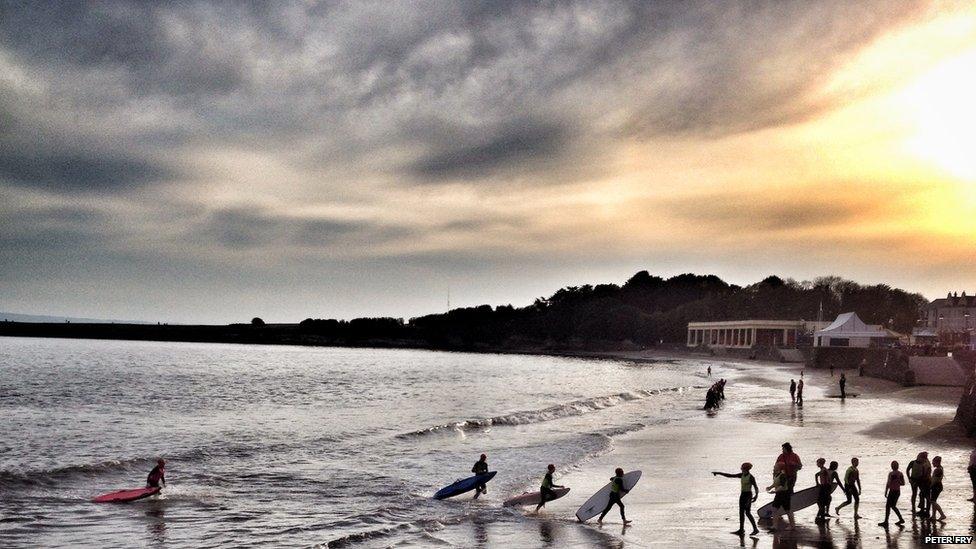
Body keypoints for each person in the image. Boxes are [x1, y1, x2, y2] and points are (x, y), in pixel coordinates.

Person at [712, 462, 759, 536]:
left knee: (747, 513)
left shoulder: (751, 477)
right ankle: (741, 529)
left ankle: (755, 529)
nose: (741, 469)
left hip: (748, 496)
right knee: (741, 513)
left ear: (745, 469)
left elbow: (756, 487)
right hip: (742, 495)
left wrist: (756, 496)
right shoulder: (742, 475)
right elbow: (730, 475)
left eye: (742, 468)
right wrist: (718, 473)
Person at [767, 461, 795, 530]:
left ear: (779, 467)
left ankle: (792, 526)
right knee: (774, 509)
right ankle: (774, 526)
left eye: (775, 466)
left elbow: (782, 486)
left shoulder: (782, 475)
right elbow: (776, 483)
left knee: (788, 510)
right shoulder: (777, 474)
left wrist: (775, 491)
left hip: (784, 495)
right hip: (778, 495)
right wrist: (770, 487)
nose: (774, 467)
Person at [879, 460, 905, 527]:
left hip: (893, 491)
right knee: (892, 506)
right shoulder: (900, 473)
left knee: (889, 506)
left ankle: (886, 521)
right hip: (896, 491)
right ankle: (900, 519)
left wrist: (886, 491)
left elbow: (888, 483)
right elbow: (903, 483)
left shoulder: (893, 474)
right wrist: (898, 481)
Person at [928, 456, 946, 521]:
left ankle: (942, 514)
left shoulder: (937, 470)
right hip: (938, 486)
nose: (932, 463)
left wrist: (930, 487)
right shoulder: (940, 468)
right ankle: (933, 516)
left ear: (937, 462)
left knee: (932, 501)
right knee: (934, 501)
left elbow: (934, 480)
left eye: (933, 462)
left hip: (936, 486)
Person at [914, 451, 932, 517]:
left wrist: (918, 480)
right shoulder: (927, 462)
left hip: (926, 482)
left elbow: (924, 475)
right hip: (926, 481)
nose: (917, 458)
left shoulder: (925, 464)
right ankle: (924, 510)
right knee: (923, 495)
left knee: (925, 496)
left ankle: (926, 511)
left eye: (918, 457)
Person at [814, 458, 830, 523]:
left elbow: (827, 479)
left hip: (824, 487)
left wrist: (818, 483)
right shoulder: (823, 470)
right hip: (824, 487)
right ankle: (821, 517)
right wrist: (817, 483)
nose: (816, 464)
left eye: (817, 463)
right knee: (821, 503)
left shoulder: (824, 470)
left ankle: (820, 517)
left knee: (820, 503)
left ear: (820, 463)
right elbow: (816, 475)